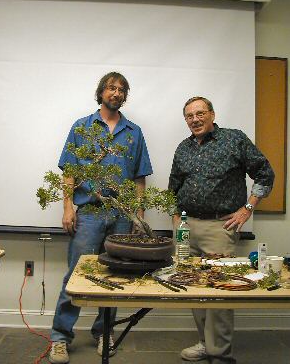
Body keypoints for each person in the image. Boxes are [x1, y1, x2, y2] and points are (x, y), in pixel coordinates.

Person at [49, 72, 153, 364]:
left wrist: (138, 214)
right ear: (101, 92)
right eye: (111, 87)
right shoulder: (82, 128)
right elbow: (69, 171)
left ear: (125, 95)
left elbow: (139, 178)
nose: (116, 93)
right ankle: (60, 336)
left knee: (116, 276)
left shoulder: (134, 132)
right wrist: (68, 207)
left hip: (121, 214)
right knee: (76, 275)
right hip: (90, 214)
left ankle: (103, 332)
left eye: (121, 89)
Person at [168, 96, 274, 364]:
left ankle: (220, 354)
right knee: (193, 287)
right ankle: (205, 343)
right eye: (190, 116)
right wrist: (174, 219)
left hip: (220, 227)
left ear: (212, 114)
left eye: (200, 113)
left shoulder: (234, 139)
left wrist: (247, 208)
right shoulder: (183, 148)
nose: (195, 119)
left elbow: (264, 173)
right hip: (186, 227)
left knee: (220, 289)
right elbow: (174, 186)